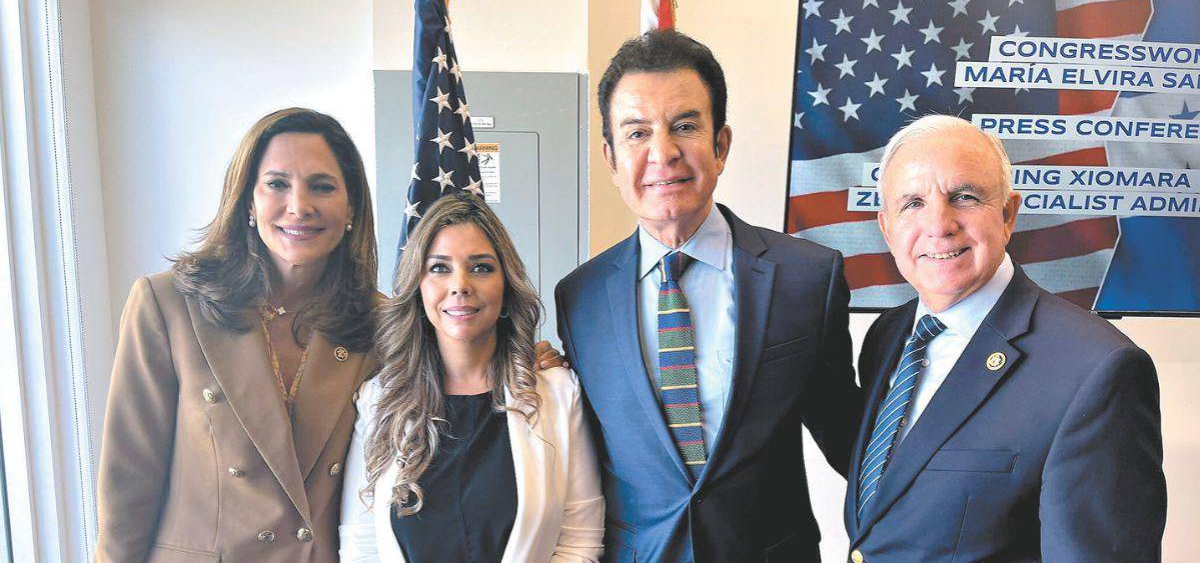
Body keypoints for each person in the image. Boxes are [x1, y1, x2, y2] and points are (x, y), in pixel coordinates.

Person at [554, 30, 863, 561]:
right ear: (610, 158)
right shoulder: (579, 299)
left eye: (684, 126)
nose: (663, 153)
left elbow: (850, 440)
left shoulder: (807, 278)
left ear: (721, 146)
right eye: (637, 133)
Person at [843, 115, 1166, 562]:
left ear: (1008, 213)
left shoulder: (1096, 368)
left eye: (964, 197)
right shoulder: (888, 336)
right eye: (913, 203)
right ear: (886, 227)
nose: (939, 224)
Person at [96, 108, 381, 562]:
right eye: (277, 184)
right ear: (248, 200)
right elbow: (129, 477)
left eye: (322, 186)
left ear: (351, 208)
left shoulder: (382, 323)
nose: (299, 206)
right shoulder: (168, 304)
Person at [339, 191, 604, 562]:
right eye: (439, 268)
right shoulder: (379, 400)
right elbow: (361, 545)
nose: (460, 284)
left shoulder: (557, 393)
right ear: (417, 288)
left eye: (480, 267)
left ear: (506, 286)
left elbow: (579, 541)